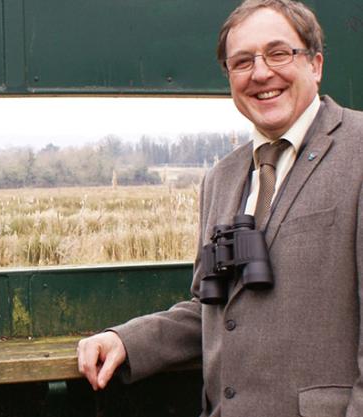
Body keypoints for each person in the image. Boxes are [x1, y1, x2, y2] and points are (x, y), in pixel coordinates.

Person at [77, 0, 363, 415]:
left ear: (315, 65)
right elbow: (213, 310)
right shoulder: (223, 177)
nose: (261, 73)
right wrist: (126, 340)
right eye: (242, 61)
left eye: (279, 53)